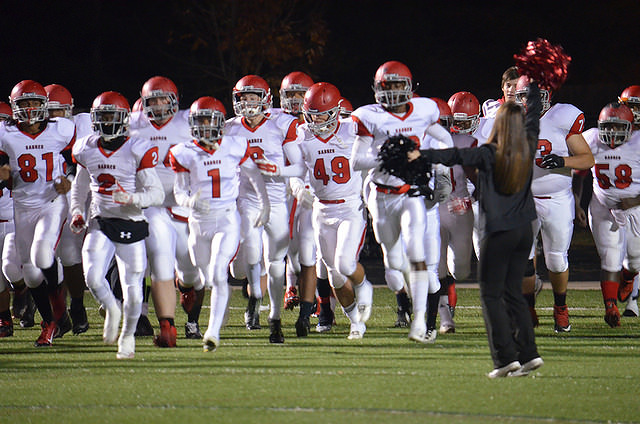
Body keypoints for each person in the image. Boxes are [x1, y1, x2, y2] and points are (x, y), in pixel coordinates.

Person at [401, 80, 544, 377]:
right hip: (524, 231)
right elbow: (533, 115)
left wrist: (419, 155)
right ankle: (529, 354)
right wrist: (532, 86)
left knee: (491, 295)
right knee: (514, 294)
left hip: (499, 232)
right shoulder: (529, 143)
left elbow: (450, 155)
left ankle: (505, 359)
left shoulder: (486, 153)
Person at [351, 60, 452, 343]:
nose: (394, 92)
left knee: (418, 255)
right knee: (395, 262)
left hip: (411, 194)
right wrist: (387, 156)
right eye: (388, 86)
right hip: (381, 196)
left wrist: (439, 169)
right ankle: (416, 306)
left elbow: (444, 140)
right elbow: (356, 160)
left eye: (398, 86)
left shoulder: (423, 110)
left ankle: (420, 322)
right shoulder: (369, 116)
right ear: (377, 89)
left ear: (409, 88)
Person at [169, 96, 269, 352]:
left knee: (217, 274)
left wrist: (265, 203)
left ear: (220, 123)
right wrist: (191, 202)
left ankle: (212, 333)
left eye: (208, 120)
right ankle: (210, 315)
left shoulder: (234, 145)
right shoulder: (183, 152)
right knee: (204, 278)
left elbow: (254, 175)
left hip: (226, 218)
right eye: (199, 120)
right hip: (198, 223)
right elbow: (179, 192)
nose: (203, 126)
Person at [70, 91, 164, 359]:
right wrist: (77, 211)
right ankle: (111, 308)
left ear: (124, 119)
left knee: (133, 289)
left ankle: (127, 337)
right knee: (91, 275)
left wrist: (133, 198)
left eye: (112, 116)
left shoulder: (137, 147)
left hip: (131, 221)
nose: (108, 121)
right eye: (103, 116)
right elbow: (79, 185)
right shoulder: (85, 147)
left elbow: (156, 194)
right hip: (100, 219)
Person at [287, 82, 371, 338]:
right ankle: (356, 320)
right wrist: (299, 190)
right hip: (321, 211)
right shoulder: (302, 135)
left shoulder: (351, 130)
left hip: (349, 208)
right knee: (334, 277)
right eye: (312, 113)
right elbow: (294, 172)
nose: (317, 118)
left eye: (322, 112)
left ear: (336, 111)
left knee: (345, 263)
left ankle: (364, 284)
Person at [515, 76, 594, 333]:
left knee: (557, 260)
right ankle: (528, 308)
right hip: (524, 200)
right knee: (524, 259)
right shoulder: (510, 121)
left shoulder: (562, 117)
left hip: (557, 200)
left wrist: (562, 161)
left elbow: (587, 159)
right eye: (527, 94)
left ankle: (560, 307)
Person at [0, 80, 75, 347]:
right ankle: (56, 319)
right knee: (31, 275)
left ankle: (52, 321)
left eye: (35, 102)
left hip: (51, 202)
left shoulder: (61, 129)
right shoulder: (5, 133)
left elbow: (76, 159)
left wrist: (68, 177)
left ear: (44, 105)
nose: (30, 108)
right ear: (14, 107)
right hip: (22, 206)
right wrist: (3, 174)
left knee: (42, 255)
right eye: (24, 103)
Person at [226, 74, 300, 343]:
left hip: (277, 200)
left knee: (276, 263)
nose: (248, 102)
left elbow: (299, 166)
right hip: (247, 199)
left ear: (265, 99)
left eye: (253, 97)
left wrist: (281, 171)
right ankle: (255, 295)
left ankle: (275, 318)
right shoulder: (229, 128)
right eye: (243, 97)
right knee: (244, 265)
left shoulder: (281, 125)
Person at [129, 76, 202, 344]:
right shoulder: (133, 124)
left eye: (163, 99)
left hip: (183, 204)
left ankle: (187, 297)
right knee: (154, 260)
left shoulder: (188, 122)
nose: (158, 105)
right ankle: (158, 322)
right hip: (152, 205)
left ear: (175, 101)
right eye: (152, 100)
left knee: (190, 269)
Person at [576, 103, 640, 327]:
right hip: (603, 206)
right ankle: (610, 305)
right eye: (608, 127)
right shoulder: (592, 138)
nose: (612, 133)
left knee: (634, 261)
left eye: (618, 127)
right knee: (610, 257)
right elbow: (578, 170)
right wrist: (576, 200)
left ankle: (629, 278)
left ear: (630, 128)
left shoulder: (638, 143)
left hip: (635, 209)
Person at [44, 83, 91, 335]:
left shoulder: (82, 124)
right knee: (58, 256)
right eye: (49, 111)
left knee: (76, 255)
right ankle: (64, 312)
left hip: (83, 194)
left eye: (58, 111)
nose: (53, 117)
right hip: (50, 199)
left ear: (69, 110)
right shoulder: (38, 131)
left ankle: (79, 306)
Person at [278, 71, 316, 317]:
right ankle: (290, 286)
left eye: (300, 94)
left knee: (310, 246)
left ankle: (318, 301)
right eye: (290, 94)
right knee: (287, 242)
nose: (294, 99)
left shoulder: (317, 121)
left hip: (310, 189)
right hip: (280, 188)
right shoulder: (274, 119)